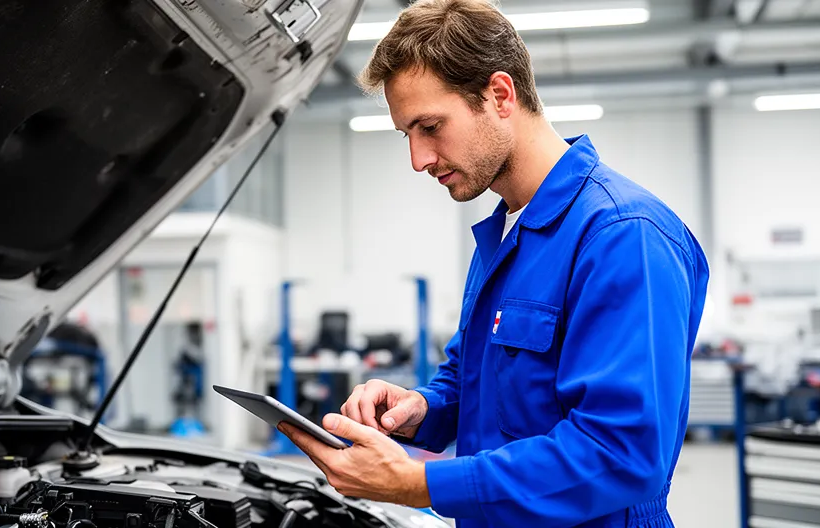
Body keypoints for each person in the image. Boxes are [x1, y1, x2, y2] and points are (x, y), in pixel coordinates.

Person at [276, 0, 711, 525]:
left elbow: (620, 453)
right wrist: (419, 410)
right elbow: (475, 383)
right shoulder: (507, 234)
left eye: (430, 126)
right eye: (407, 135)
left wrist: (420, 483)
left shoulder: (622, 235)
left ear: (499, 95)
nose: (418, 160)